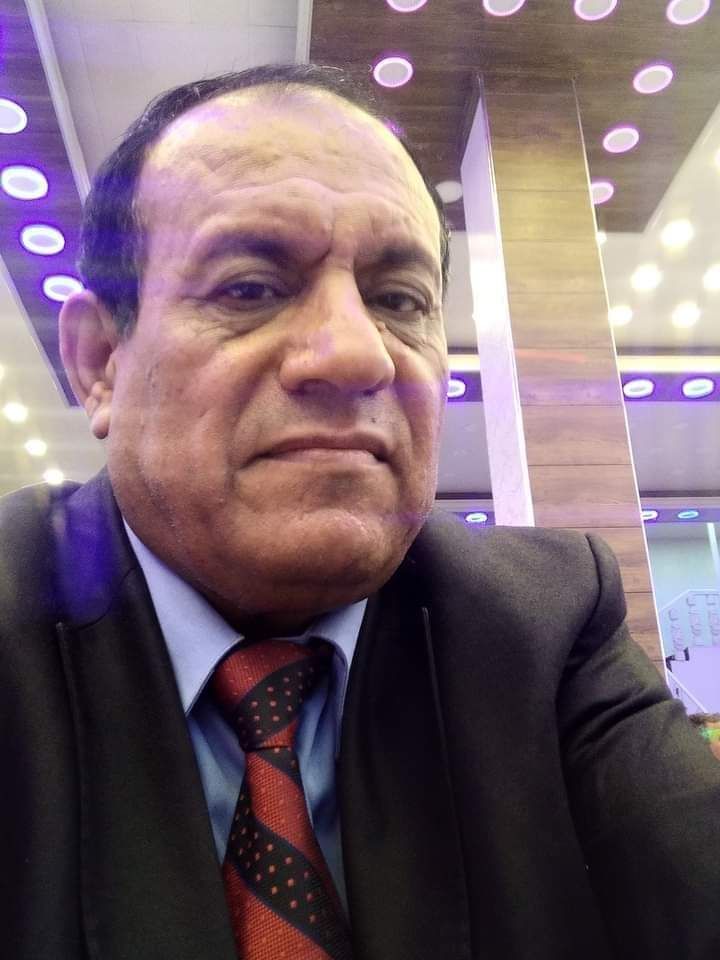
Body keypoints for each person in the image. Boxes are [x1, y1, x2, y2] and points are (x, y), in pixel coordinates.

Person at [1, 64, 719, 960]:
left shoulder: (546, 622)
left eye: (398, 300)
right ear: (101, 361)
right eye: (250, 288)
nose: (355, 354)